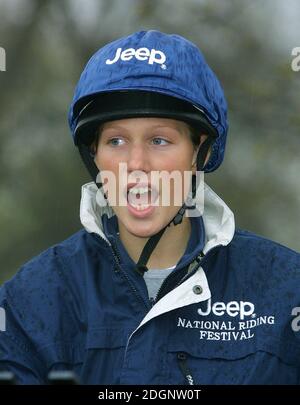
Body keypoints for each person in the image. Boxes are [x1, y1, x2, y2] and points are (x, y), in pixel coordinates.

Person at [0, 30, 299, 385]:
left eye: (159, 140)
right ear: (95, 155)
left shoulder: (286, 290)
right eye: (116, 140)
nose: (136, 163)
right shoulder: (29, 301)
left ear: (198, 152)